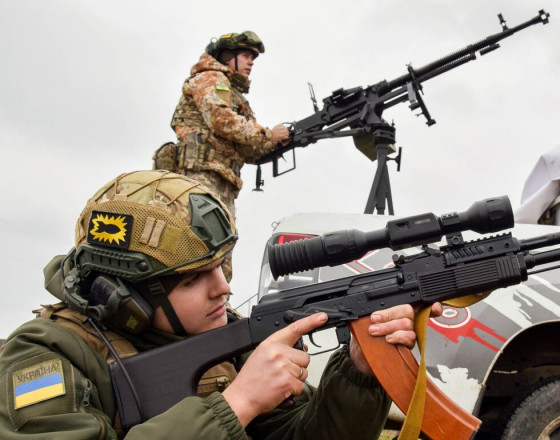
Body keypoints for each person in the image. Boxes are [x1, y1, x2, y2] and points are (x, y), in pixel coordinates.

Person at [0, 170, 440, 439]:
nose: (223, 288)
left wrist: (359, 373)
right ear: (124, 295)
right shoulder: (44, 357)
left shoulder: (224, 340)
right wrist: (236, 404)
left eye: (220, 267)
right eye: (193, 279)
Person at [157, 30, 291, 282]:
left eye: (253, 57)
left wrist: (279, 142)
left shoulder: (234, 95)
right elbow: (221, 120)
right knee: (201, 245)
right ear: (228, 56)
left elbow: (249, 149)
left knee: (222, 252)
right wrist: (268, 134)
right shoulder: (210, 78)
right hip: (200, 176)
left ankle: (217, 300)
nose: (251, 62)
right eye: (246, 55)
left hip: (223, 183)